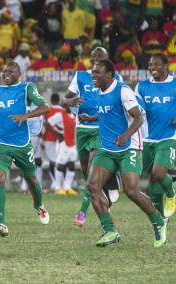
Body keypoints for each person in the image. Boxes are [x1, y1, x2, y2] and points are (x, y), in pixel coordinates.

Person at [82, 59, 166, 248]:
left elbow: (138, 117)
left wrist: (124, 136)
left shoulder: (123, 90)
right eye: (92, 72)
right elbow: (109, 113)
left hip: (129, 148)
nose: (93, 75)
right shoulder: (98, 92)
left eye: (97, 72)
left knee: (131, 191)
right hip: (108, 148)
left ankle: (158, 221)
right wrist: (91, 118)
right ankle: (110, 230)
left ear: (109, 74)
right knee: (93, 186)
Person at [0, 62, 50, 237]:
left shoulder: (27, 88)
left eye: (10, 71)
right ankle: (1, 222)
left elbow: (45, 107)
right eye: (4, 70)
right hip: (1, 142)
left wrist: (26, 116)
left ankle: (39, 206)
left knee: (32, 181)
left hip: (22, 143)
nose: (6, 73)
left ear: (19, 74)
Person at [135, 53, 176, 217]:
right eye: (150, 65)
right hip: (148, 137)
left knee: (158, 172)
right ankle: (161, 218)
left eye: (156, 64)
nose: (152, 68)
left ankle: (171, 195)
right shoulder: (141, 87)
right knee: (153, 178)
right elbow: (137, 110)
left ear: (165, 66)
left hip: (169, 135)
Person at [63, 47, 121, 227]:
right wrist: (70, 103)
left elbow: (120, 99)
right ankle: (111, 181)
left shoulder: (114, 77)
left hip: (101, 128)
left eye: (100, 56)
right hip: (82, 128)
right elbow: (66, 99)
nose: (96, 58)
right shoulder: (80, 76)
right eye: (93, 56)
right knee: (87, 171)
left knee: (93, 171)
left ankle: (82, 211)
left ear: (106, 59)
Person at [46, 106, 78, 195]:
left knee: (71, 165)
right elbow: (47, 123)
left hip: (72, 143)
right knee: (60, 166)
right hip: (63, 143)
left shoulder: (74, 115)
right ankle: (58, 187)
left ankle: (67, 187)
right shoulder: (60, 114)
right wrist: (57, 136)